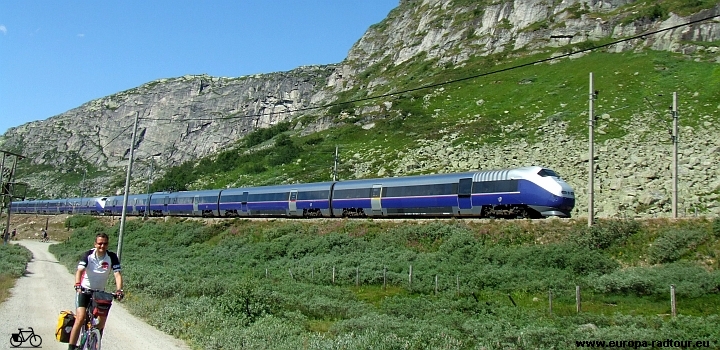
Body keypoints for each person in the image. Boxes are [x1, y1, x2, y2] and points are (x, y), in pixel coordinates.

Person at [67, 233, 124, 350]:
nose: (102, 246)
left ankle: (95, 344)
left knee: (100, 323)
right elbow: (79, 271)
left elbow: (117, 274)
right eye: (100, 243)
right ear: (95, 244)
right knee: (80, 318)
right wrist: (77, 284)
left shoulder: (112, 257)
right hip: (84, 290)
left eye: (105, 243)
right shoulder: (88, 255)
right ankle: (71, 348)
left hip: (99, 293)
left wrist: (119, 290)